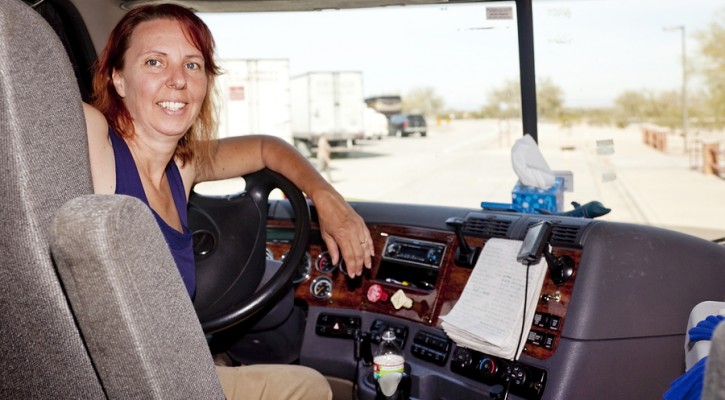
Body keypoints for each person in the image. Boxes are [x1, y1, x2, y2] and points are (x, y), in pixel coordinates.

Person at [82, 4, 374, 399]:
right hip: (114, 384)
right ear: (118, 78)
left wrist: (324, 195)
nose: (177, 81)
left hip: (167, 371)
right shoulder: (96, 140)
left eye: (192, 65)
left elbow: (265, 147)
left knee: (307, 383)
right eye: (154, 62)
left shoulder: (180, 167)